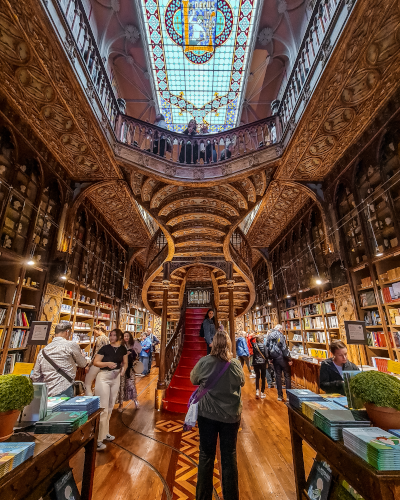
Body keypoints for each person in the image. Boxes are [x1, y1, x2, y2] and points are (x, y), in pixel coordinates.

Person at [190, 331, 244, 500]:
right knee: (229, 456)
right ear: (228, 345)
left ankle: (203, 497)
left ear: (213, 344)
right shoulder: (235, 364)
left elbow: (193, 379)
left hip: (208, 415)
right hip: (231, 417)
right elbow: (241, 382)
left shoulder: (204, 362)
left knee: (206, 455)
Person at [31, 322, 87, 397]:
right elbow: (82, 364)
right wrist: (82, 356)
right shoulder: (70, 345)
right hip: (64, 388)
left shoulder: (43, 350)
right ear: (67, 332)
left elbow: (36, 376)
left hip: (47, 391)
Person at [93, 328, 128, 451]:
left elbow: (125, 362)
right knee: (102, 407)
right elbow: (96, 362)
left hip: (116, 377)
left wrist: (123, 370)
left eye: (113, 335)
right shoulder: (105, 348)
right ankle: (97, 439)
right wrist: (107, 363)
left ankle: (105, 432)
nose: (111, 337)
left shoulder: (123, 349)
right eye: (110, 335)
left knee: (110, 406)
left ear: (119, 337)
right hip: (104, 377)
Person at [266, 324, 292, 401]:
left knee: (278, 376)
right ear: (280, 329)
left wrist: (270, 358)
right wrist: (289, 358)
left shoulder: (269, 335)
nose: (282, 331)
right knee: (287, 376)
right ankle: (288, 396)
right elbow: (284, 348)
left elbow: (267, 347)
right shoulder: (280, 335)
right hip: (282, 358)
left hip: (275, 358)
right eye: (282, 330)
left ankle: (280, 396)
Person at [84, 323, 109, 396]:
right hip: (104, 364)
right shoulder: (107, 339)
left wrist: (89, 365)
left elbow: (96, 354)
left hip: (97, 364)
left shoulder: (99, 338)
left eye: (94, 331)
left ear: (98, 330)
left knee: (87, 384)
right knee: (98, 384)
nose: (94, 333)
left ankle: (89, 402)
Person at [118, 332, 139, 411]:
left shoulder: (133, 345)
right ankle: (121, 404)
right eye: (125, 336)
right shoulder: (121, 346)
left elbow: (136, 356)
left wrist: (132, 354)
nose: (126, 337)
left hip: (130, 368)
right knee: (122, 385)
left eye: (127, 336)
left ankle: (135, 400)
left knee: (131, 385)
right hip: (122, 367)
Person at [252, 333, 272, 398]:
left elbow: (249, 341)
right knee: (263, 377)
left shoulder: (254, 345)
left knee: (257, 377)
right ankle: (262, 392)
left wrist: (253, 337)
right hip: (263, 363)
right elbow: (266, 355)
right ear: (262, 340)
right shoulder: (264, 346)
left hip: (255, 362)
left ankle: (257, 391)